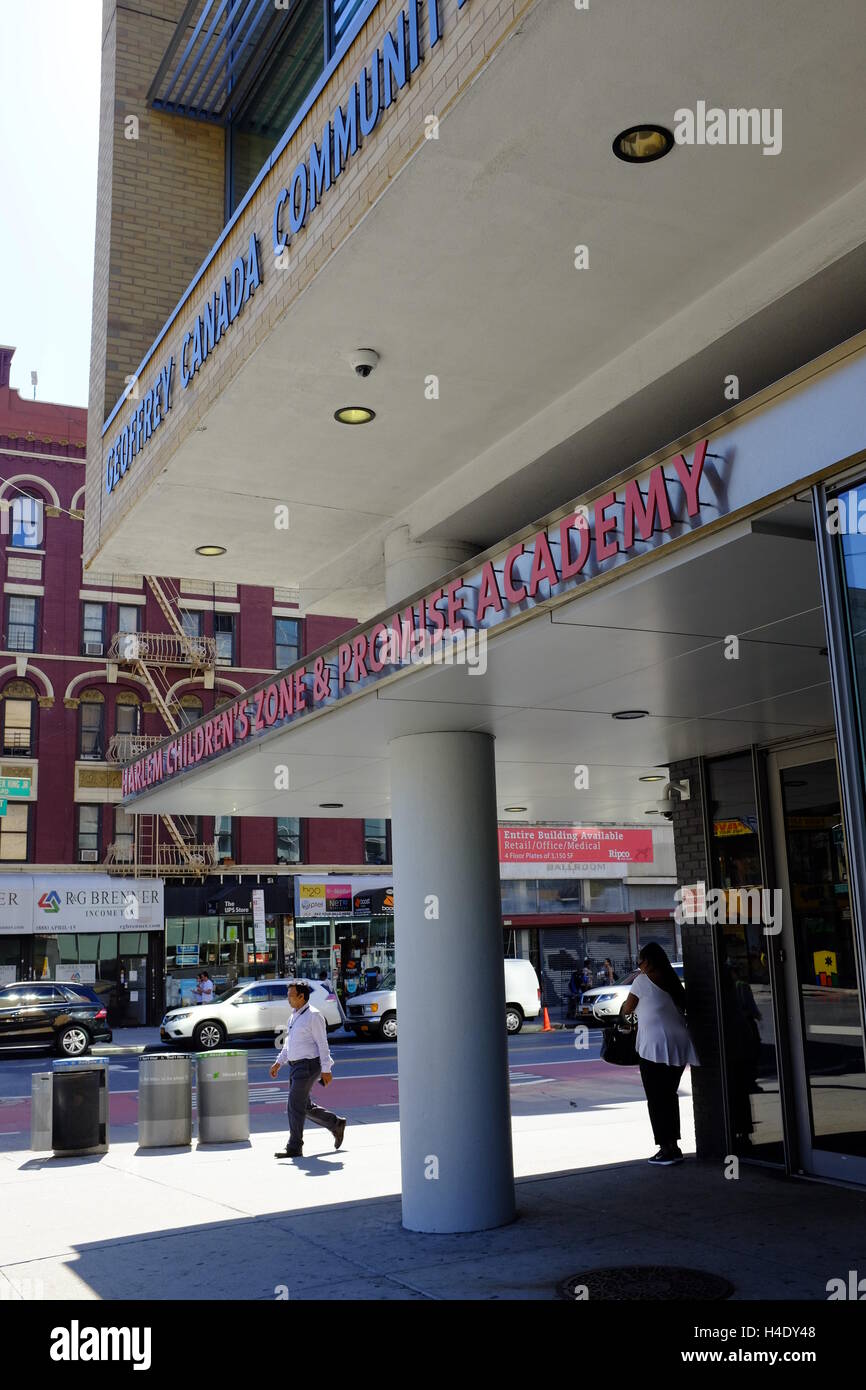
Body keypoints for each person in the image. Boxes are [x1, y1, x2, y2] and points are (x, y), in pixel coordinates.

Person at [621, 941, 699, 1166]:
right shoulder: (673, 980)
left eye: (640, 960)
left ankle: (666, 1150)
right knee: (669, 1096)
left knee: (657, 1099)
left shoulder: (641, 982)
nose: (639, 965)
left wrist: (632, 1018)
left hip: (653, 1047)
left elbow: (627, 1009)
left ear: (649, 961)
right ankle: (674, 1146)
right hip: (679, 1046)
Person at [270, 980, 347, 1158]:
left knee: (293, 1105)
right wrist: (278, 1062)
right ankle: (335, 1124)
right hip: (296, 1066)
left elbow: (323, 1044)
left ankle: (294, 1146)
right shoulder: (294, 1016)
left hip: (309, 1065)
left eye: (290, 995)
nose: (288, 999)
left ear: (301, 996)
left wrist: (326, 1070)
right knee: (303, 1106)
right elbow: (289, 1044)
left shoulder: (314, 1016)